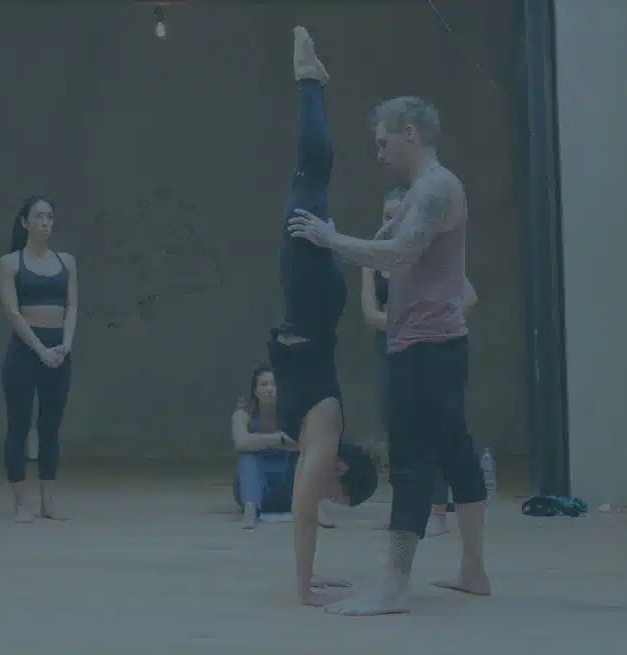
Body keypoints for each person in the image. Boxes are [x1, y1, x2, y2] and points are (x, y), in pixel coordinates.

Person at [288, 95, 492, 616]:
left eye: (382, 141)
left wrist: (332, 239)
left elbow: (401, 255)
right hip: (435, 346)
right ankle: (473, 570)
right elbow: (406, 249)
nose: (378, 153)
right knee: (456, 451)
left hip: (425, 348)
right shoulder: (430, 191)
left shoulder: (436, 189)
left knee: (411, 461)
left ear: (409, 133)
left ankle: (394, 584)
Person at [268, 26, 379, 606]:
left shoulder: (317, 437)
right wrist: (306, 589)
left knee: (306, 183)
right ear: (341, 475)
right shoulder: (326, 436)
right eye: (338, 495)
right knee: (310, 180)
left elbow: (309, 509)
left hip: (306, 306)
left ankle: (314, 83)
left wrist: (313, 582)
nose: (326, 498)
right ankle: (309, 79)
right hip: (312, 304)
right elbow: (303, 514)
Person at [361, 187, 480, 538]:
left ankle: (438, 511)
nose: (390, 221)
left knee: (438, 429)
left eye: (397, 214)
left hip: (429, 348)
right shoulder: (374, 258)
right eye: (385, 215)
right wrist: (402, 321)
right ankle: (404, 514)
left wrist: (429, 319)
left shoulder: (429, 252)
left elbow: (469, 297)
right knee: (397, 430)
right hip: (389, 350)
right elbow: (370, 313)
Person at [0, 196, 78, 522]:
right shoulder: (10, 262)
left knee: (50, 428)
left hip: (58, 349)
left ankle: (49, 501)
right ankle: (21, 502)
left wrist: (65, 345)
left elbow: (72, 306)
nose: (46, 222)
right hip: (25, 351)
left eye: (50, 216)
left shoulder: (67, 261)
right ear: (24, 222)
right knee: (18, 426)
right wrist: (40, 350)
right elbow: (12, 312)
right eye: (39, 216)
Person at [231, 364, 300, 529]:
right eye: (264, 384)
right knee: (246, 456)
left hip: (288, 489)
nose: (270, 389)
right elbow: (241, 442)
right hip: (256, 489)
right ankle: (250, 513)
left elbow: (304, 443)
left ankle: (316, 509)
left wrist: (257, 441)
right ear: (255, 391)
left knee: (304, 457)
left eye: (274, 384)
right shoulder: (243, 413)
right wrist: (279, 439)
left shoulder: (293, 411)